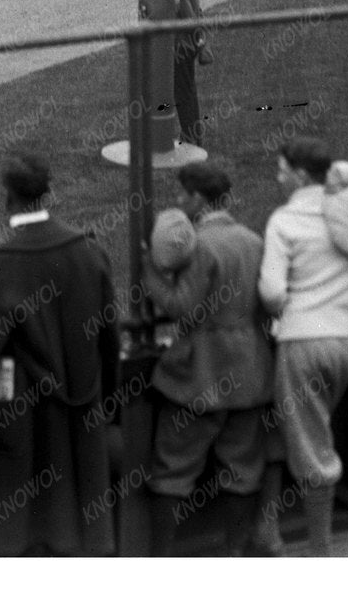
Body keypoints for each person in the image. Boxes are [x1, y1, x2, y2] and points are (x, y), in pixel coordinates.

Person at [0, 150, 118, 556]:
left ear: (7, 197)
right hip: (82, 416)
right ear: (47, 194)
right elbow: (109, 341)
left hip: (26, 428)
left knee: (26, 538)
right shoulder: (89, 252)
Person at [258, 137, 348, 556]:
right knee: (299, 433)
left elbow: (273, 293)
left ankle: (321, 550)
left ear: (299, 174)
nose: (278, 177)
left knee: (311, 447)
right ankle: (271, 531)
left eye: (281, 170)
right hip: (342, 343)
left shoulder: (285, 219)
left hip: (301, 344)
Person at [142, 163, 277, 557]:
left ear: (199, 200)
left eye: (183, 197)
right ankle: (233, 555)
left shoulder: (200, 245)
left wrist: (150, 270)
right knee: (243, 470)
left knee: (173, 471)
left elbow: (182, 308)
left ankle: (161, 562)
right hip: (251, 370)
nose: (179, 204)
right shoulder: (253, 240)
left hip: (199, 375)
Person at [173, 0, 205, 148]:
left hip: (181, 45)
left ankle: (190, 137)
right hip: (191, 43)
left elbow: (188, 17)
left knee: (183, 94)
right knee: (189, 92)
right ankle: (193, 136)